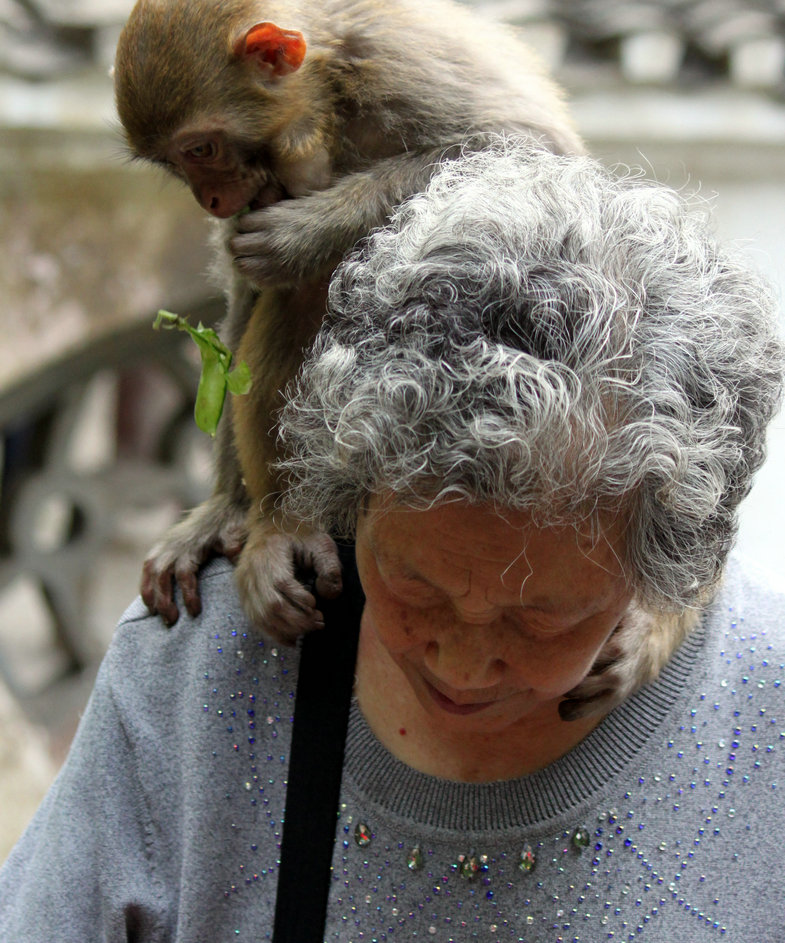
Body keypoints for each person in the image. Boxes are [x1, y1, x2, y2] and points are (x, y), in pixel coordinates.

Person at [1, 141, 784, 941]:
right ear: (346, 498)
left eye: (536, 620)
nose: (459, 664)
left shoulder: (764, 709)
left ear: (663, 579)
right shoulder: (204, 671)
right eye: (413, 586)